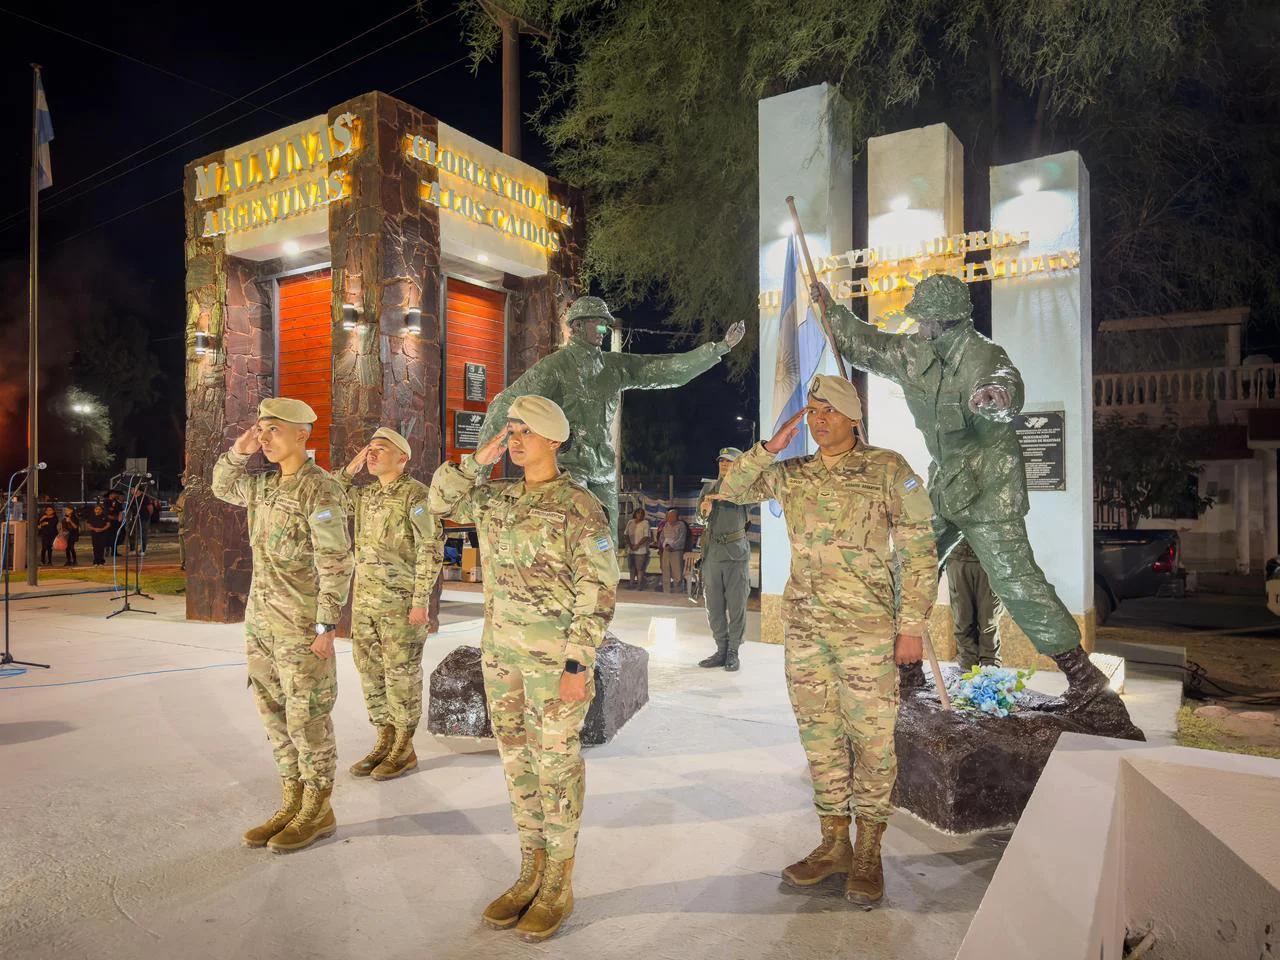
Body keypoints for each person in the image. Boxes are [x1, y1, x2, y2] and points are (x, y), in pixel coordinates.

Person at [813, 273, 1114, 706]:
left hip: (989, 488)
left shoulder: (982, 355)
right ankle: (908, 673)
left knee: (1015, 580)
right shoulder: (914, 353)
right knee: (908, 568)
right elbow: (865, 345)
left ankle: (1085, 679)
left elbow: (1003, 381)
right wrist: (829, 308)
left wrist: (996, 397)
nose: (918, 326)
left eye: (923, 319)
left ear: (941, 321)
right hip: (946, 483)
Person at [717, 376, 936, 905]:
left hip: (867, 632)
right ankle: (834, 842)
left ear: (854, 418)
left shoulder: (888, 469)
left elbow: (919, 549)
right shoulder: (793, 473)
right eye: (813, 410)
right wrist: (770, 446)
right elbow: (733, 489)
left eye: (829, 410)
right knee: (820, 738)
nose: (818, 419)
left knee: (873, 741)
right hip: (807, 631)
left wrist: (911, 626)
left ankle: (869, 851)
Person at [429, 395, 617, 942]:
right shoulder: (497, 497)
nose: (514, 438)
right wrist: (476, 461)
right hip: (502, 659)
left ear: (554, 440)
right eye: (511, 429)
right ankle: (530, 869)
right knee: (517, 765)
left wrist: (579, 662)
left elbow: (598, 589)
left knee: (555, 766)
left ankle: (558, 881)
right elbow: (437, 503)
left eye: (525, 430)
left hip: (555, 664)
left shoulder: (579, 506)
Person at [211, 397, 353, 853]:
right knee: (273, 716)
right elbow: (221, 486)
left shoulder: (321, 489)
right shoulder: (264, 486)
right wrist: (240, 449)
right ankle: (292, 800)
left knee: (307, 717)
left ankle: (318, 807)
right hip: (261, 623)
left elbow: (336, 560)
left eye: (273, 429)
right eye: (261, 429)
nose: (265, 437)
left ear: (301, 435)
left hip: (300, 625)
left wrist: (326, 623)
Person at [475, 295, 746, 532]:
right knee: (570, 534)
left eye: (606, 324)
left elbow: (665, 370)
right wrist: (482, 466)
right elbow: (505, 403)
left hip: (602, 467)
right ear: (577, 326)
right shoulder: (556, 366)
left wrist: (718, 349)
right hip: (569, 467)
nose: (604, 330)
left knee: (605, 539)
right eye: (599, 324)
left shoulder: (613, 366)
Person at [336, 427, 443, 781]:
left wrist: (420, 602)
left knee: (401, 675)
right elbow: (332, 496)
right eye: (370, 448)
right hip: (365, 604)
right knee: (370, 672)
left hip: (401, 605)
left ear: (403, 458)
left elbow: (431, 548)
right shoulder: (366, 495)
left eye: (381, 449)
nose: (372, 453)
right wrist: (349, 470)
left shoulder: (417, 496)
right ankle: (384, 739)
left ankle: (404, 747)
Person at [695, 448, 751, 671]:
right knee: (714, 605)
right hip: (713, 554)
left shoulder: (745, 487)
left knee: (737, 605)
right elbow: (699, 520)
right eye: (721, 461)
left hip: (736, 554)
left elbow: (753, 499)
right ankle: (721, 650)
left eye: (729, 461)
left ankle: (733, 652)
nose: (724, 464)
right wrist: (704, 511)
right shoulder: (708, 488)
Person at [947, 539, 1002, 670]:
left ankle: (990, 669)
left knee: (989, 621)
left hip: (991, 556)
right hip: (957, 557)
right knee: (962, 620)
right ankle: (967, 668)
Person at [656, 507, 689, 593]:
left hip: (676, 551)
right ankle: (666, 591)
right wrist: (665, 545)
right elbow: (662, 537)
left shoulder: (681, 525)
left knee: (677, 573)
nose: (669, 518)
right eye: (668, 516)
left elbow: (681, 539)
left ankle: (677, 592)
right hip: (666, 551)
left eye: (671, 516)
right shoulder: (666, 525)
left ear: (676, 517)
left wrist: (673, 546)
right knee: (665, 572)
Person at [623, 507, 651, 589]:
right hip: (631, 549)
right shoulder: (630, 522)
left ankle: (639, 585)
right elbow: (626, 534)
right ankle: (631, 584)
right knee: (631, 568)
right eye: (638, 513)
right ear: (635, 514)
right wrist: (630, 545)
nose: (640, 514)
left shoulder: (645, 523)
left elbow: (646, 536)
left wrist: (637, 545)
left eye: (642, 513)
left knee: (640, 568)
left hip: (641, 550)